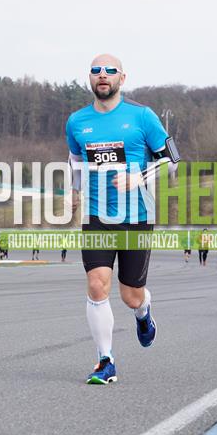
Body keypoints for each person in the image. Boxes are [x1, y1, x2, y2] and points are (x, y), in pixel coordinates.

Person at [66, 53, 177, 384]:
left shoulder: (142, 116)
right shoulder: (77, 121)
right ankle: (105, 361)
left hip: (136, 216)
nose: (103, 75)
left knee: (131, 295)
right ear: (90, 78)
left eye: (110, 70)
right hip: (97, 215)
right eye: (96, 70)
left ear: (122, 78)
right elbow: (74, 160)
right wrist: (73, 191)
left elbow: (172, 159)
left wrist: (139, 176)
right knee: (97, 284)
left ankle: (143, 313)